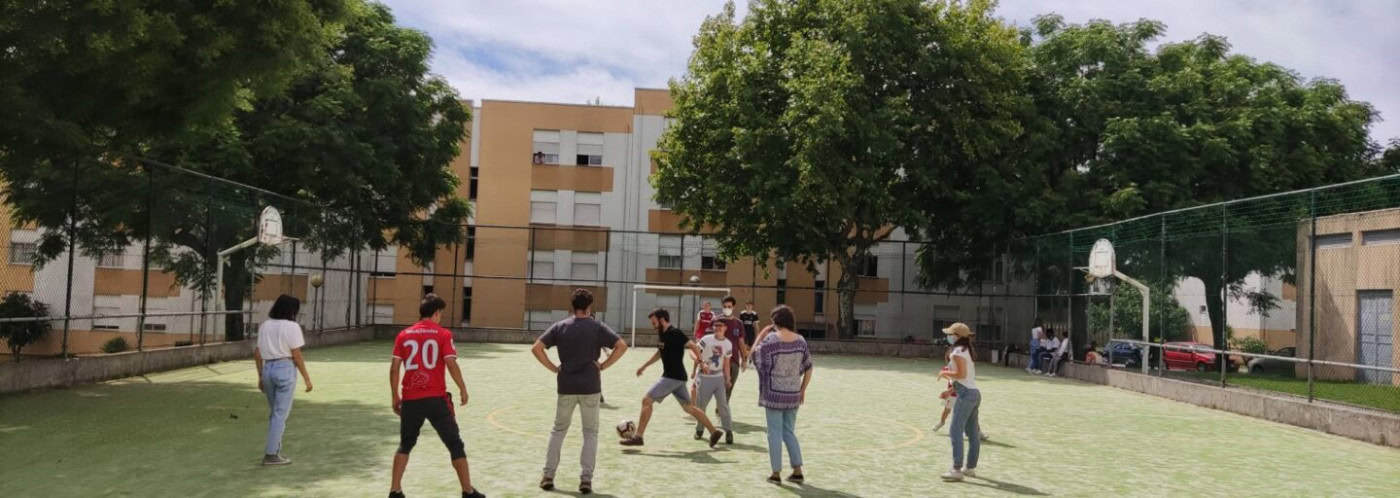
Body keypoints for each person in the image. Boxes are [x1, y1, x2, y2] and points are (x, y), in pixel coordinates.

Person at [531, 289, 629, 495]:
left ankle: (548, 476)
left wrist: (553, 368)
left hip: (566, 385)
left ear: (572, 307)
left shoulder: (560, 326)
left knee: (558, 431)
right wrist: (603, 365)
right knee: (590, 433)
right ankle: (586, 480)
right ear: (589, 307)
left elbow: (536, 348)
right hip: (590, 386)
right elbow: (621, 346)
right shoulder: (597, 327)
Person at [387, 294, 484, 498]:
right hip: (436, 399)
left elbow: (394, 369)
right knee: (455, 444)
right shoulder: (443, 334)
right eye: (441, 314)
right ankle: (467, 491)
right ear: (437, 313)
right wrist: (463, 388)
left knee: (405, 443)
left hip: (411, 399)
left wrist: (395, 396)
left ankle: (395, 490)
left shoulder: (403, 335)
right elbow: (450, 363)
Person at [621, 308, 725, 448]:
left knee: (647, 400)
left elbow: (693, 346)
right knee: (689, 408)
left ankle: (638, 437)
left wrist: (701, 363)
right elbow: (660, 352)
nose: (653, 325)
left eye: (654, 322)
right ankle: (714, 432)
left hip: (672, 377)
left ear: (662, 320)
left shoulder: (675, 333)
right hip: (677, 378)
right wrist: (644, 366)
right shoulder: (662, 334)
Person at [752, 305, 813, 484]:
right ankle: (797, 470)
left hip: (774, 394)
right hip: (793, 393)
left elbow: (756, 358)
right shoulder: (801, 340)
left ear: (775, 322)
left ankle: (776, 473)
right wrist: (802, 390)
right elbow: (809, 367)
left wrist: (760, 337)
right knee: (789, 432)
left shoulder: (771, 339)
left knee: (774, 433)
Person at [253, 294, 313, 466]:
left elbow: (257, 353)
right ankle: (271, 454)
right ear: (292, 310)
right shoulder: (292, 326)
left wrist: (260, 376)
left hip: (268, 369)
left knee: (275, 414)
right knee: (280, 415)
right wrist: (307, 379)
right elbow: (297, 355)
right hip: (285, 368)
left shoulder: (265, 325)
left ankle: (274, 451)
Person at [939, 322, 981, 482]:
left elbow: (961, 374)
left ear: (956, 336)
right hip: (973, 394)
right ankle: (969, 468)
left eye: (950, 334)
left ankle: (957, 469)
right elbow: (966, 379)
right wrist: (949, 391)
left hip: (967, 395)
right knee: (972, 433)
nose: (948, 336)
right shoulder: (966, 351)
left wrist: (944, 372)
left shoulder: (957, 352)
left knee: (955, 430)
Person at [692, 317, 735, 443]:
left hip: (719, 378)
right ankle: (699, 430)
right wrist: (701, 363)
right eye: (716, 325)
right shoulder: (706, 339)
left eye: (721, 325)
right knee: (701, 406)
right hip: (704, 378)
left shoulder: (728, 344)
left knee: (723, 405)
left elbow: (726, 363)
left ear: (725, 328)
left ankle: (728, 431)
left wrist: (728, 379)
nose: (718, 328)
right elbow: (693, 352)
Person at [714, 296, 750, 400]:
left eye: (729, 306)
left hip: (734, 360)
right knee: (719, 388)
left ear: (733, 307)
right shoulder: (716, 321)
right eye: (724, 306)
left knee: (728, 389)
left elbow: (741, 342)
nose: (727, 308)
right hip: (718, 360)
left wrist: (744, 359)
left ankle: (721, 410)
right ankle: (721, 408)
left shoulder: (738, 323)